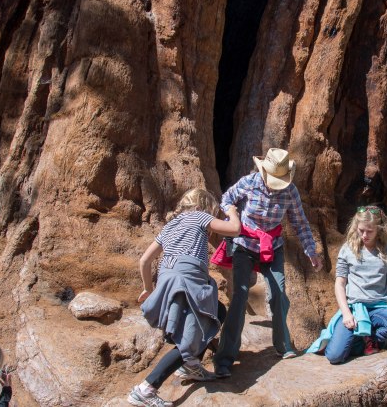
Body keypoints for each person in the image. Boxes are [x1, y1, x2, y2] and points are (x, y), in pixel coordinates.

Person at [212, 148, 323, 378]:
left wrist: (311, 252)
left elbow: (300, 223)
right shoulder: (249, 182)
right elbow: (227, 199)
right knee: (240, 295)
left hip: (272, 245)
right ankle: (224, 358)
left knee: (278, 293)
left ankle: (283, 345)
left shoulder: (290, 191)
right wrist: (232, 215)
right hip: (245, 243)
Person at [127, 188, 241, 407]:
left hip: (169, 280)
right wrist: (232, 212)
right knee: (188, 338)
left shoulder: (170, 226)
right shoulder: (199, 216)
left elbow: (144, 261)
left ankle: (191, 365)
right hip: (187, 280)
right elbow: (234, 229)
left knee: (217, 311)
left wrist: (148, 288)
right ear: (202, 206)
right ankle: (146, 389)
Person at [305, 205, 387, 364]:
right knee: (335, 356)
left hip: (379, 308)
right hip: (354, 308)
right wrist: (346, 313)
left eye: (370, 231)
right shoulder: (348, 249)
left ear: (379, 230)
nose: (365, 235)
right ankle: (359, 339)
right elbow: (340, 284)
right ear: (356, 227)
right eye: (361, 230)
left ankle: (371, 337)